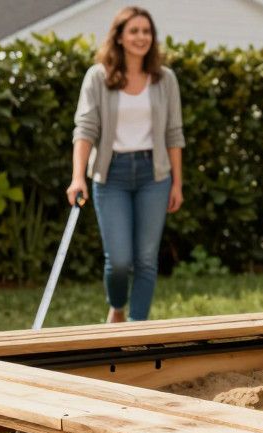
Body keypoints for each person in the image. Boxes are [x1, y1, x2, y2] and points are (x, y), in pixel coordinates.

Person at [68, 6, 184, 323]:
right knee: (118, 260)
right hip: (111, 175)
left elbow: (174, 133)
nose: (141, 37)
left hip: (153, 174)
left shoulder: (165, 79)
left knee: (146, 259)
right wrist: (78, 177)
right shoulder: (98, 77)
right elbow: (85, 130)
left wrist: (177, 183)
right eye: (134, 31)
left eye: (146, 31)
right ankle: (117, 306)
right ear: (119, 37)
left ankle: (137, 329)